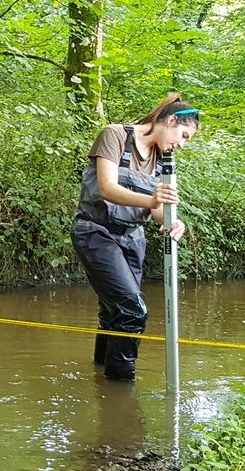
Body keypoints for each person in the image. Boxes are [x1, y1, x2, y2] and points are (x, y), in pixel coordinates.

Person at [72, 94, 200, 381]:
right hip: (96, 232)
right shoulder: (114, 135)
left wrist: (173, 221)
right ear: (171, 121)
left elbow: (160, 211)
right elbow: (107, 188)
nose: (182, 144)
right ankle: (121, 388)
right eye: (184, 136)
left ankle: (102, 379)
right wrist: (152, 200)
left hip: (133, 239)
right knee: (132, 311)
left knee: (113, 312)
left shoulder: (165, 160)